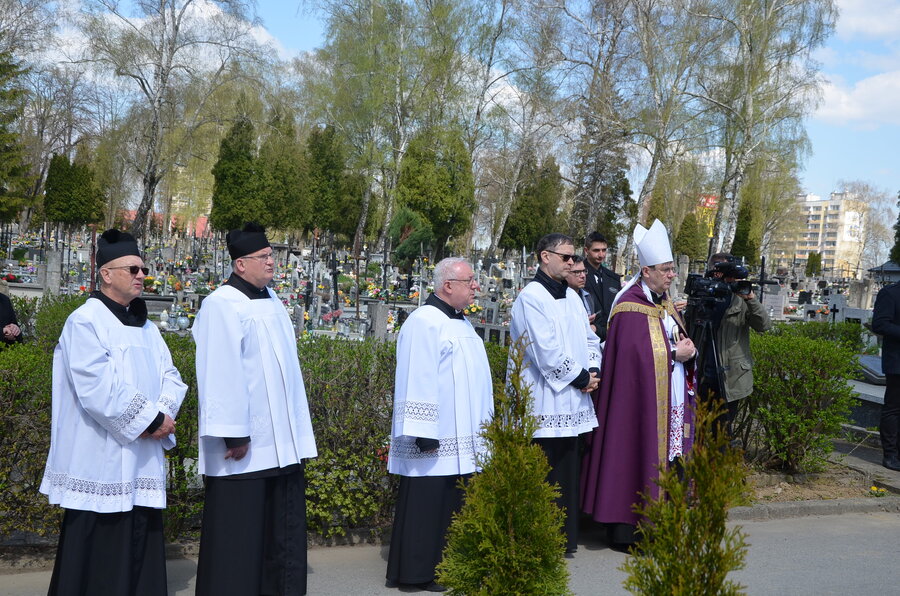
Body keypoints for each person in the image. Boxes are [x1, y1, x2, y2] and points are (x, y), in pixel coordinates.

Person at [40, 228, 186, 595]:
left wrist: (164, 416)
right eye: (132, 269)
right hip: (100, 459)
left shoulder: (147, 327)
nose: (141, 275)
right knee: (97, 555)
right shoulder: (85, 322)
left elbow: (171, 375)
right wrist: (151, 421)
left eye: (142, 269)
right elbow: (96, 388)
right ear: (106, 273)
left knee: (140, 540)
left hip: (142, 456)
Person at [194, 223, 317, 596]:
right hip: (245, 447)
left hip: (282, 446)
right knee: (240, 537)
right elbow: (221, 370)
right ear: (240, 264)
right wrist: (235, 433)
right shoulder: (221, 305)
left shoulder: (272, 300)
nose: (272, 263)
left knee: (280, 534)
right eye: (264, 257)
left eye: (272, 256)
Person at [580, 219, 696, 549]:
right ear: (646, 271)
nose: (672, 275)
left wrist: (685, 349)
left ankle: (661, 523)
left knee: (667, 458)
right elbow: (635, 354)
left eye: (673, 269)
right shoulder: (630, 304)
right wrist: (676, 354)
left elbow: (670, 339)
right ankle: (629, 531)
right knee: (634, 451)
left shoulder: (663, 302)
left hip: (667, 395)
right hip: (638, 400)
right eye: (666, 269)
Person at [386, 257, 493, 592]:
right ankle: (417, 572)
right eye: (471, 281)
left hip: (462, 436)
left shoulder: (462, 324)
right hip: (434, 435)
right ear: (448, 286)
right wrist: (422, 431)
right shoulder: (424, 322)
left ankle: (448, 566)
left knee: (452, 504)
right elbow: (417, 375)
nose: (477, 287)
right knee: (427, 505)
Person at [509, 233, 601, 554]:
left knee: (567, 472)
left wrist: (593, 372)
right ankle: (537, 540)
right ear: (545, 256)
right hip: (544, 402)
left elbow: (590, 341)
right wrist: (580, 378)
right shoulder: (531, 297)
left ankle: (563, 539)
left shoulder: (574, 298)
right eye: (567, 258)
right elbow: (544, 352)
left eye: (574, 258)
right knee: (545, 473)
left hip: (574, 401)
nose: (573, 263)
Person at [695, 253, 771, 437]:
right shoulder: (702, 294)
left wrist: (750, 298)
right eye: (720, 272)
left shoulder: (740, 298)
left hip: (730, 379)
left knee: (721, 435)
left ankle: (716, 465)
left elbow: (764, 325)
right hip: (702, 375)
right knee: (696, 431)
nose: (726, 278)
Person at [871, 281, 900, 471]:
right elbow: (880, 324)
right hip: (898, 362)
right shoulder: (890, 293)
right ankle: (890, 454)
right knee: (894, 408)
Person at [582, 232, 622, 341]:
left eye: (604, 250)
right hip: (588, 336)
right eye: (596, 250)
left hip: (611, 336)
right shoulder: (578, 275)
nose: (601, 255)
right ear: (586, 251)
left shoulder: (613, 279)